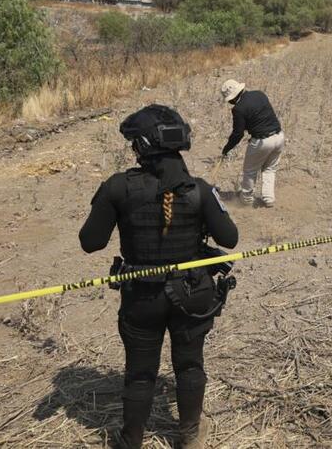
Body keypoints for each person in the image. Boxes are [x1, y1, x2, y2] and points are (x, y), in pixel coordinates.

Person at [79, 104, 239, 449]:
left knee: (140, 372)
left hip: (142, 299)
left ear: (142, 147)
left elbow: (90, 243)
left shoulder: (118, 187)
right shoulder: (200, 189)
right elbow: (230, 238)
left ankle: (130, 441)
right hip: (194, 295)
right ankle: (190, 437)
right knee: (190, 365)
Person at [220, 79, 285, 208]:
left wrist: (227, 149)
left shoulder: (238, 109)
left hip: (262, 142)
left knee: (250, 171)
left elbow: (238, 133)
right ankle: (269, 198)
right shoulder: (259, 94)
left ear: (233, 97)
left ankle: (246, 199)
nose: (230, 103)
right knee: (270, 168)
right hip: (279, 137)